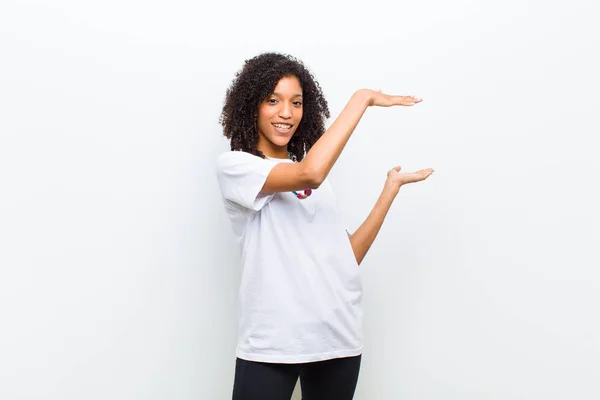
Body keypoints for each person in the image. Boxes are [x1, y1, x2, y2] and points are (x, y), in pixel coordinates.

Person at [216, 52, 434, 400]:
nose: (286, 113)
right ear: (251, 105)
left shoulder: (312, 179)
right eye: (273, 100)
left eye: (296, 102)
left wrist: (388, 192)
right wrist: (361, 99)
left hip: (337, 340)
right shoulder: (237, 168)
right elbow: (312, 173)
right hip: (274, 345)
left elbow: (346, 258)